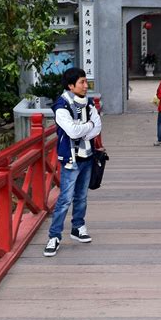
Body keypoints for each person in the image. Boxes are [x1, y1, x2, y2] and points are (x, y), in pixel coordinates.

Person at [44, 67, 102, 257]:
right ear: (71, 86)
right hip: (71, 158)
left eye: (86, 82)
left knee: (82, 196)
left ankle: (78, 227)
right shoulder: (61, 106)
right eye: (82, 82)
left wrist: (84, 128)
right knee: (65, 199)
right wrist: (88, 127)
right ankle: (54, 236)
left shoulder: (89, 103)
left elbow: (97, 127)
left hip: (87, 155)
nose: (86, 86)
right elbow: (72, 132)